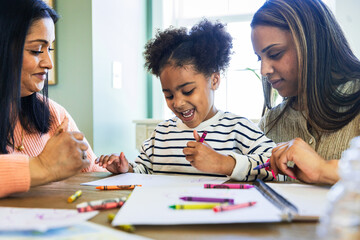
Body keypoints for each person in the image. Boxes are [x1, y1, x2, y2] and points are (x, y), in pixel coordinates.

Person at [96, 20, 276, 181]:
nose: (178, 103)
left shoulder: (237, 129)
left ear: (214, 80)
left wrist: (223, 163)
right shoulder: (160, 136)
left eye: (188, 91)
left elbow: (275, 166)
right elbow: (142, 172)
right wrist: (125, 169)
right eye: (169, 95)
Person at [0, 0, 103, 198]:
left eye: (50, 49)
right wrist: (42, 166)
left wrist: (115, 173)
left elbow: (93, 173)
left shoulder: (54, 114)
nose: (49, 64)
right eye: (37, 50)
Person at [250, 0, 360, 184]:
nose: (264, 70)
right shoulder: (270, 124)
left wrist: (323, 170)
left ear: (312, 43)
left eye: (275, 54)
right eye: (259, 58)